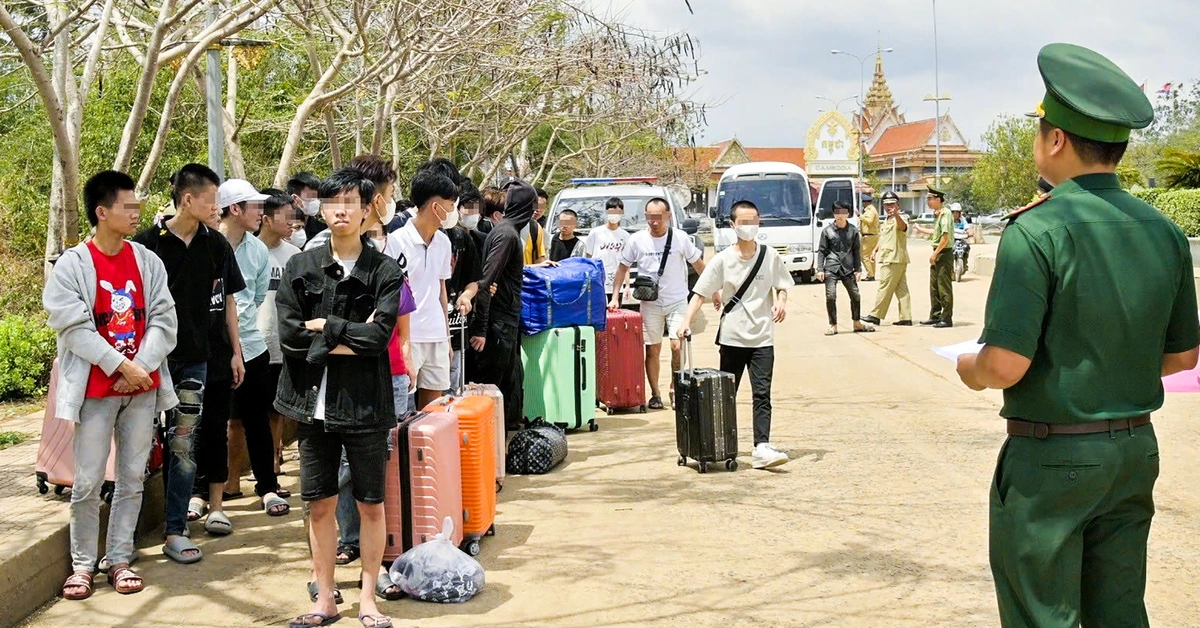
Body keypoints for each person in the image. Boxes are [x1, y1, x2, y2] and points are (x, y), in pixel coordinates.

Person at [956, 43, 1199, 628]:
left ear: (1057, 140)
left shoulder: (1036, 230)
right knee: (1120, 613)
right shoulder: (1163, 232)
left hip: (1053, 459)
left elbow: (1006, 365)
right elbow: (1182, 355)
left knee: (1044, 615)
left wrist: (970, 368)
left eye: (1041, 129)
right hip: (1134, 451)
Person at [275, 168, 401, 628]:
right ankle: (324, 598)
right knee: (320, 503)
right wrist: (350, 333)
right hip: (310, 404)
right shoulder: (300, 267)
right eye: (331, 203)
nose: (340, 211)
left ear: (368, 209)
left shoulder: (384, 270)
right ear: (319, 209)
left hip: (365, 405)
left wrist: (323, 327)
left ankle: (369, 599)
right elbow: (288, 335)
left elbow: (380, 337)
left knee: (370, 503)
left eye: (350, 202)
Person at [46, 171, 178, 600]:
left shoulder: (146, 260)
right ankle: (83, 565)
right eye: (129, 206)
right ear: (102, 213)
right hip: (96, 393)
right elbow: (72, 330)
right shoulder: (72, 265)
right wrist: (121, 364)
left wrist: (140, 367)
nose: (137, 213)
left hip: (141, 389)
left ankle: (120, 558)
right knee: (86, 481)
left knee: (132, 477)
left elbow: (163, 320)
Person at [133, 163, 245, 565]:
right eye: (212, 200)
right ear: (188, 199)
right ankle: (123, 539)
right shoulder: (146, 245)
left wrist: (236, 351)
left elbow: (229, 300)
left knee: (183, 446)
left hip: (196, 362)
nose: (218, 207)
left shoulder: (215, 245)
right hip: (147, 363)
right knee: (138, 447)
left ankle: (175, 529)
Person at [677, 200, 791, 469]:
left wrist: (781, 301)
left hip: (762, 337)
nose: (749, 226)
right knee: (725, 395)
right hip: (732, 338)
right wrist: (686, 322)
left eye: (753, 221)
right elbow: (699, 294)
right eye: (743, 222)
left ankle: (761, 447)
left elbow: (782, 285)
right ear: (732, 225)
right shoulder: (723, 260)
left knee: (762, 393)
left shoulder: (769, 255)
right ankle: (721, 444)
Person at [208, 179, 289, 524]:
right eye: (255, 206)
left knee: (257, 418)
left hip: (252, 346)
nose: (262, 213)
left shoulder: (257, 251)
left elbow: (254, 298)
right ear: (235, 209)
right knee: (211, 422)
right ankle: (203, 492)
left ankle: (267, 486)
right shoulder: (207, 246)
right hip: (212, 348)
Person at [609, 197, 706, 410]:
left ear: (668, 216)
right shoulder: (636, 240)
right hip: (650, 302)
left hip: (677, 300)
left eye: (658, 217)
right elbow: (622, 268)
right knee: (652, 349)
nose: (654, 222)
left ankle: (675, 387)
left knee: (677, 344)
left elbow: (699, 265)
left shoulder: (680, 238)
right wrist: (615, 297)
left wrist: (713, 291)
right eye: (650, 217)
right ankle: (655, 394)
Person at [386, 168, 457, 409]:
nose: (453, 211)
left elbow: (441, 290)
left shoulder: (444, 242)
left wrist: (447, 338)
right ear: (435, 206)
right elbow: (392, 295)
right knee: (402, 409)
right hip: (409, 338)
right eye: (450, 204)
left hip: (436, 335)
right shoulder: (396, 242)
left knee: (433, 410)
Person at [472, 179, 539, 429]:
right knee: (494, 388)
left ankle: (505, 442)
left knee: (511, 382)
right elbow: (485, 282)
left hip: (507, 320)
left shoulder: (506, 232)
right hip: (498, 323)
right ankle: (491, 449)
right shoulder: (506, 235)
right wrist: (481, 328)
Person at [254, 192, 302, 476]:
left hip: (283, 346)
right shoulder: (246, 251)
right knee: (241, 418)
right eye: (285, 215)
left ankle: (273, 465)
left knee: (277, 411)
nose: (291, 222)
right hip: (251, 346)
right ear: (266, 219)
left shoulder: (295, 257)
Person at [816, 201, 873, 336]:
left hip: (848, 268)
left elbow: (856, 251)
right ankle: (833, 325)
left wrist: (858, 269)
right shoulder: (827, 231)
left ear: (847, 213)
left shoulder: (853, 231)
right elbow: (822, 251)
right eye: (837, 212)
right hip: (831, 267)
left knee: (856, 295)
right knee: (831, 296)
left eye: (843, 212)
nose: (840, 216)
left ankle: (857, 322)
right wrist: (819, 269)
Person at [862, 191, 912, 326]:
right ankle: (906, 317)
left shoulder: (900, 218)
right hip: (893, 258)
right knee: (902, 289)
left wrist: (896, 214)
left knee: (884, 286)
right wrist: (875, 250)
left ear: (898, 205)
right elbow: (884, 237)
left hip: (893, 258)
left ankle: (875, 315)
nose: (889, 207)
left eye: (892, 204)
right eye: (886, 204)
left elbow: (903, 228)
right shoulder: (887, 219)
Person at [913, 188, 954, 327]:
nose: (928, 202)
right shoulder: (938, 214)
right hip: (938, 251)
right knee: (934, 286)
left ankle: (946, 318)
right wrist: (920, 230)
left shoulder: (946, 214)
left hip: (943, 253)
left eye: (930, 199)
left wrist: (935, 254)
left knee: (943, 286)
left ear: (938, 199)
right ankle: (935, 315)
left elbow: (945, 237)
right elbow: (936, 232)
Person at [585, 197, 632, 304]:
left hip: (616, 284)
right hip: (598, 282)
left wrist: (627, 285)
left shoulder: (625, 236)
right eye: (611, 211)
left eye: (617, 211)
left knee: (615, 314)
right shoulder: (595, 233)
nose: (614, 215)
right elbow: (588, 257)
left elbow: (626, 264)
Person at [288, 172, 323, 247]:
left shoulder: (322, 230)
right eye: (311, 197)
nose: (316, 202)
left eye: (317, 198)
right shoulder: (281, 227)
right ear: (295, 199)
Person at [520, 187, 548, 265]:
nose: (537, 209)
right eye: (535, 205)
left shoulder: (538, 229)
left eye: (541, 206)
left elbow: (540, 260)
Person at [859, 194, 879, 281]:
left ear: (865, 202)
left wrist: (860, 216)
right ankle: (872, 274)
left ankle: (870, 274)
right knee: (871, 256)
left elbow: (869, 221)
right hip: (872, 235)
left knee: (864, 255)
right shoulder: (871, 209)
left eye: (863, 202)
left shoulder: (870, 210)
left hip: (869, 236)